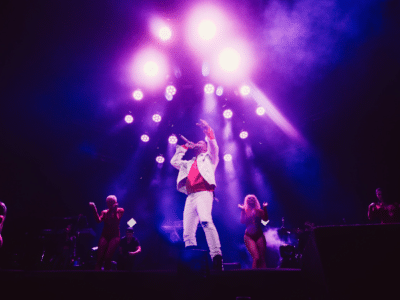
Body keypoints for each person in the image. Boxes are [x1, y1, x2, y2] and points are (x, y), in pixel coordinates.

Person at [170, 119, 223, 270]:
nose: (199, 143)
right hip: (190, 196)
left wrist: (208, 131)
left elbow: (213, 145)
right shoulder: (188, 163)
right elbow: (174, 161)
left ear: (205, 146)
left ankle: (216, 256)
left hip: (204, 193)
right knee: (187, 231)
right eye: (198, 142)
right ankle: (191, 261)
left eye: (202, 142)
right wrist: (186, 146)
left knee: (206, 221)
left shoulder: (210, 158)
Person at [89, 195, 124, 270]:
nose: (109, 204)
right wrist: (94, 208)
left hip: (115, 236)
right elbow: (98, 220)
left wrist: (114, 210)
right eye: (108, 202)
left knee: (108, 257)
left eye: (111, 202)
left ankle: (106, 277)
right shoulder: (104, 212)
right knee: (99, 257)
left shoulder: (120, 210)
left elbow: (116, 219)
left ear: (115, 203)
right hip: (105, 235)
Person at [238, 194, 268, 269]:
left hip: (259, 235)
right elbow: (242, 221)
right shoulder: (245, 211)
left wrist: (265, 208)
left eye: (252, 198)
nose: (251, 199)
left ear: (255, 200)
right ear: (247, 201)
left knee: (262, 258)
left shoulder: (259, 211)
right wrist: (242, 210)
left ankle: (265, 277)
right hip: (249, 236)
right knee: (256, 258)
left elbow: (265, 220)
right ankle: (253, 277)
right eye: (249, 198)